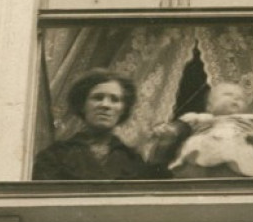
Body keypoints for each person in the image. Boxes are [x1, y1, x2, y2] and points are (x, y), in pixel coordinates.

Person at [31, 71, 167, 181]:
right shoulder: (55, 156)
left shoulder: (133, 160)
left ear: (123, 110)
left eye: (115, 100)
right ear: (82, 105)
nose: (105, 105)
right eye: (97, 97)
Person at [154, 82, 253, 179]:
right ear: (210, 106)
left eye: (240, 98)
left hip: (238, 149)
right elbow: (182, 126)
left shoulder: (248, 120)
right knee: (194, 157)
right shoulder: (202, 119)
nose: (235, 99)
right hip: (202, 149)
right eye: (228, 95)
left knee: (244, 163)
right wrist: (171, 130)